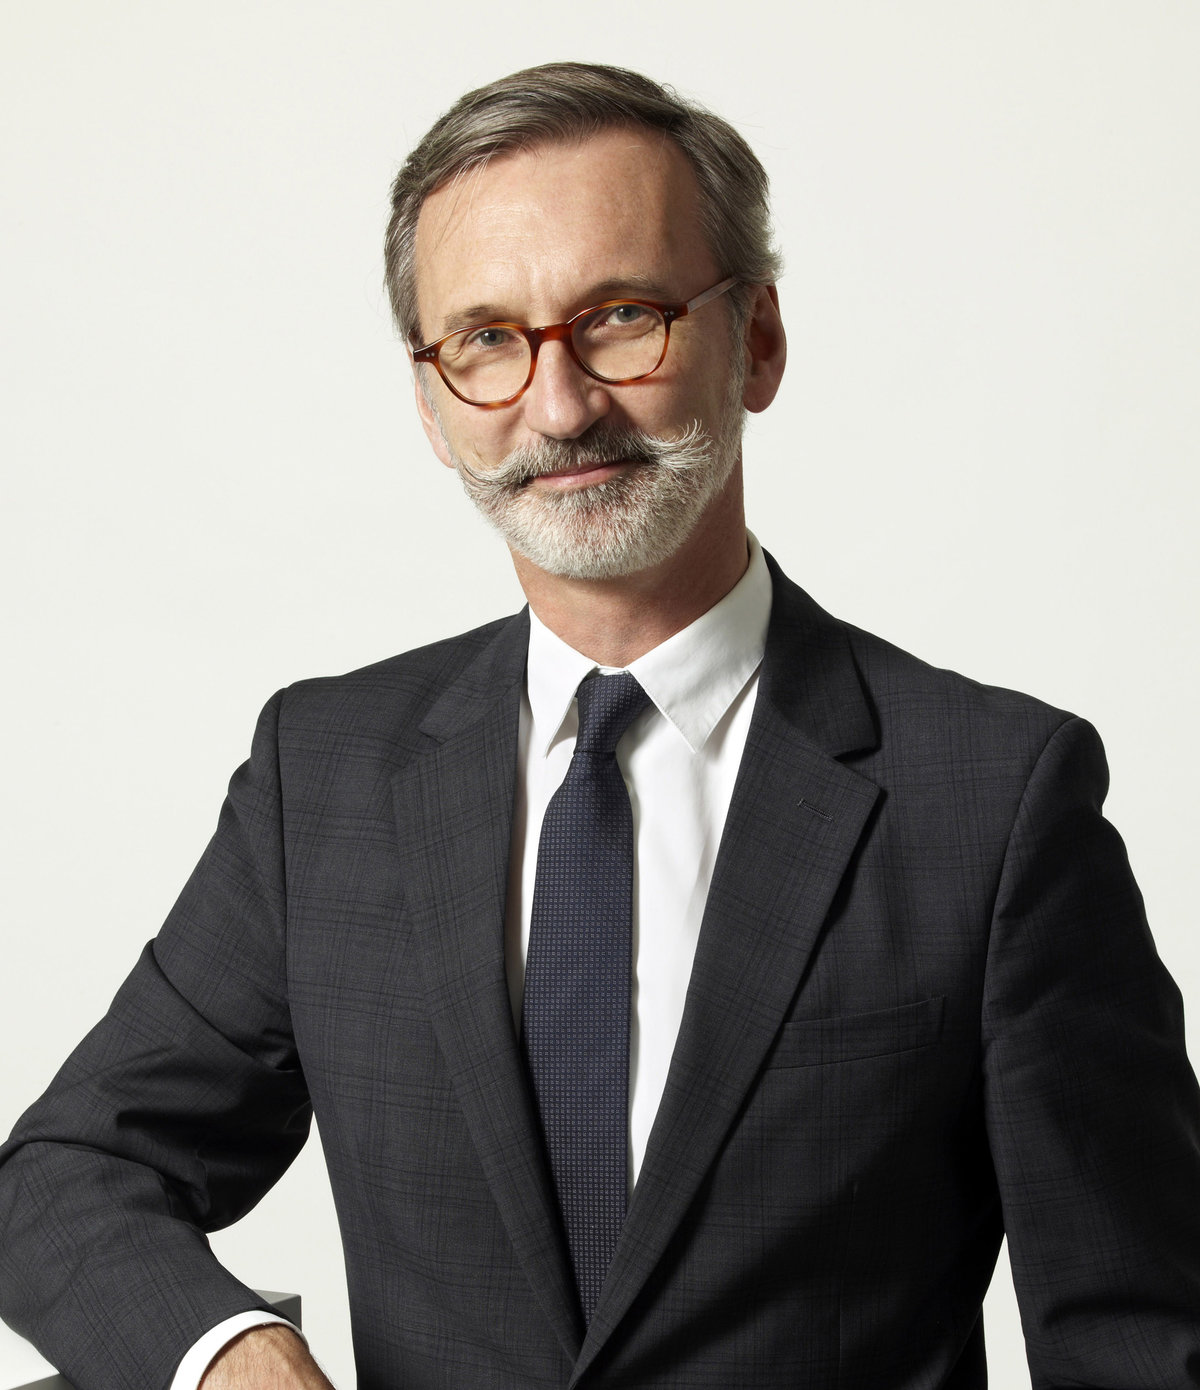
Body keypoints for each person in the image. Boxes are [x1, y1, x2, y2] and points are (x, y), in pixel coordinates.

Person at [1, 60, 1198, 1390]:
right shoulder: (323, 777)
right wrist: (233, 1357)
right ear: (430, 403)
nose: (560, 406)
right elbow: (65, 1175)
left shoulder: (997, 803)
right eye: (486, 341)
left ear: (758, 340)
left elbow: (1140, 1343)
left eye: (622, 317)